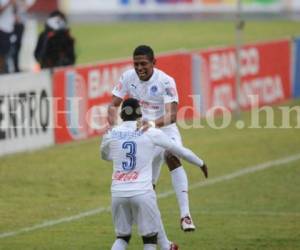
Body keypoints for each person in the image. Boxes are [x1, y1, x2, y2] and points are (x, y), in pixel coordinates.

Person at [107, 45, 208, 235]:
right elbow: (113, 105)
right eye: (136, 64)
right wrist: (114, 128)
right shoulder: (128, 77)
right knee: (147, 186)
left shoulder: (166, 81)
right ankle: (160, 237)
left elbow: (172, 116)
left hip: (164, 129)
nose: (139, 68)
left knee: (172, 154)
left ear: (154, 62)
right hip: (142, 133)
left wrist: (152, 124)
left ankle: (185, 215)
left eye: (143, 64)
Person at [101, 98, 207, 250]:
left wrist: (118, 156)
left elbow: (105, 156)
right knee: (149, 241)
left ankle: (167, 246)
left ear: (122, 115)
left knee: (122, 238)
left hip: (118, 193)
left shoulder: (111, 133)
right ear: (140, 115)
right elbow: (180, 151)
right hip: (143, 193)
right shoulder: (150, 132)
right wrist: (200, 163)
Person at [11, 0, 36, 72]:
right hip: (13, 24)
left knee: (18, 46)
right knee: (13, 46)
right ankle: (14, 66)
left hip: (21, 23)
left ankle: (16, 66)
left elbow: (27, 6)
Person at [0, 0, 15, 74]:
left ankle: (6, 68)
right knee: (2, 53)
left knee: (9, 50)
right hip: (2, 28)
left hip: (10, 28)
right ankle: (2, 69)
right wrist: (9, 3)